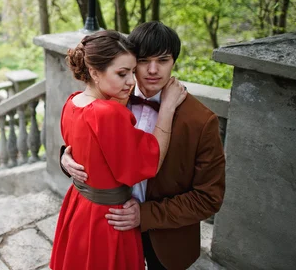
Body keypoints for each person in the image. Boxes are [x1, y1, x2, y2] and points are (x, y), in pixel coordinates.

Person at [62, 22, 226, 270]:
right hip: (108, 227)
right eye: (143, 60)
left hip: (166, 238)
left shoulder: (201, 121)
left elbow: (209, 198)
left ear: (174, 62)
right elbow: (83, 141)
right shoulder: (107, 99)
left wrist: (146, 215)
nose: (152, 70)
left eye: (163, 60)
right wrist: (65, 157)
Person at [51, 30, 187, 270]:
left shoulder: (72, 101)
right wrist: (166, 110)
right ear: (94, 72)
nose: (132, 81)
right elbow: (149, 164)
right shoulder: (110, 113)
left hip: (79, 206)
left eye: (133, 71)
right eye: (122, 73)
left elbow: (84, 147)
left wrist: (65, 157)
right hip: (109, 217)